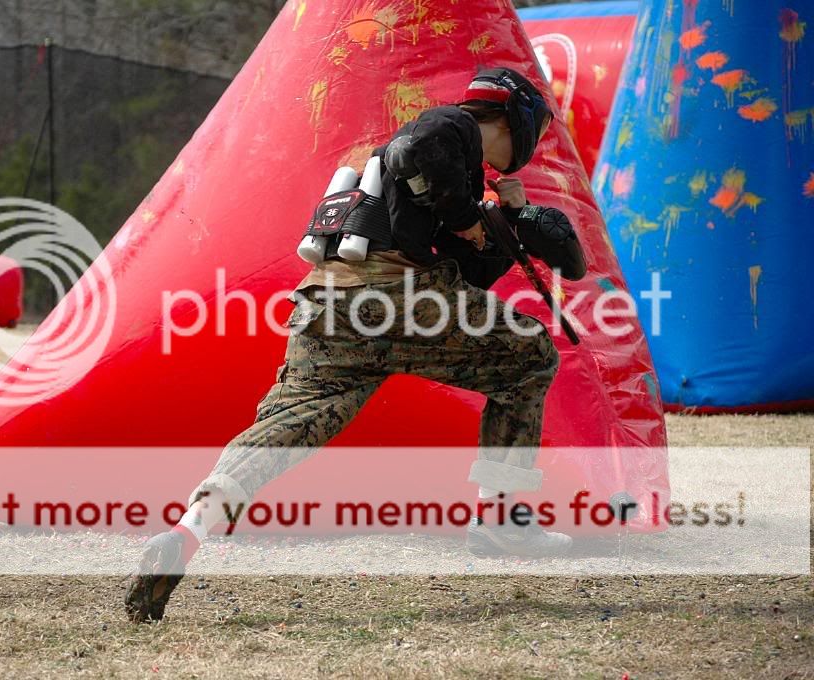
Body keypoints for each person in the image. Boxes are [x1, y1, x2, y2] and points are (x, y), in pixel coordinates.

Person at [126, 67, 567, 623]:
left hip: (327, 304)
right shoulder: (450, 128)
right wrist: (473, 220)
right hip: (393, 296)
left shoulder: (429, 173)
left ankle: (187, 532)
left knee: (286, 424)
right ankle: (502, 520)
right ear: (514, 118)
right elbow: (423, 144)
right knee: (530, 357)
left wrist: (502, 223)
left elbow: (464, 271)